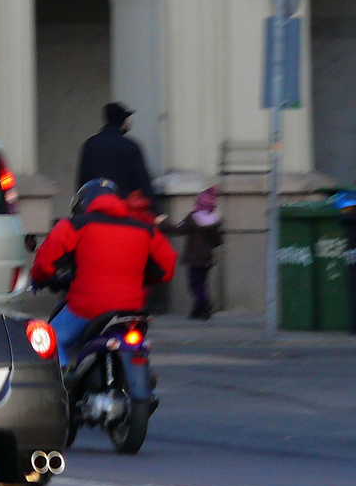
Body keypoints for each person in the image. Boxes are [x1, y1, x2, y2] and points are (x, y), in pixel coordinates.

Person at [30, 179, 177, 366]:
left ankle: (65, 382)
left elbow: (45, 262)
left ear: (83, 204)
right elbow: (165, 271)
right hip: (131, 310)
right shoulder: (146, 230)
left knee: (49, 339)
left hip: (87, 306)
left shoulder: (75, 225)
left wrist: (39, 278)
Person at [163, 186, 223, 320]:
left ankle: (205, 306)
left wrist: (162, 224)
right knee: (202, 283)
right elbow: (218, 241)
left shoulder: (193, 218)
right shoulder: (215, 221)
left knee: (195, 284)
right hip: (207, 257)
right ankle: (197, 311)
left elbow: (179, 230)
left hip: (194, 258)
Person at [76, 102, 154, 202]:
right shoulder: (130, 146)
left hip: (94, 206)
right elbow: (143, 182)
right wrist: (155, 210)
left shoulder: (90, 145)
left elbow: (82, 182)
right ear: (123, 122)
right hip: (123, 208)